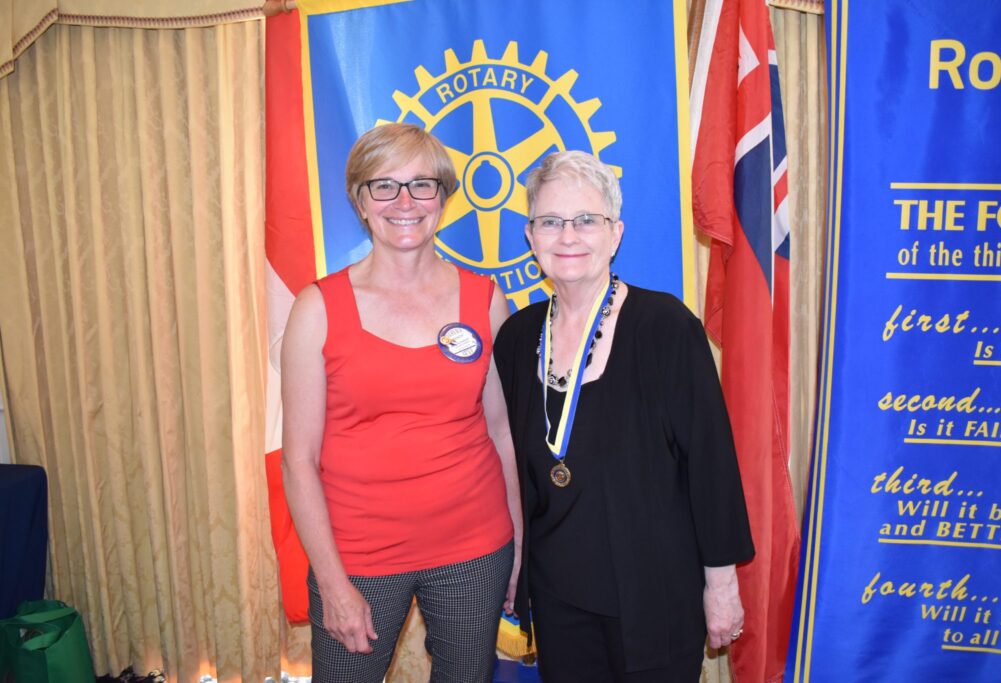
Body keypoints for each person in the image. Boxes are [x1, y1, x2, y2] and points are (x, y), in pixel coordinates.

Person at [493, 151, 754, 682]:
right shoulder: (517, 340)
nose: (569, 236)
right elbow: (506, 469)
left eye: (587, 220)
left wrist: (721, 584)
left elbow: (712, 465)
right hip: (560, 599)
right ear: (530, 236)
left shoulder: (666, 328)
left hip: (655, 597)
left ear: (615, 234)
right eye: (551, 221)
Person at [280, 123, 522, 683]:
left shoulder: (485, 301)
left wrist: (519, 543)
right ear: (361, 203)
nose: (405, 202)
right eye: (384, 186)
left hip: (475, 548)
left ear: (444, 197)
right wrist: (334, 585)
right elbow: (298, 461)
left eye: (422, 185)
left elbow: (504, 433)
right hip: (357, 558)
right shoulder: (317, 308)